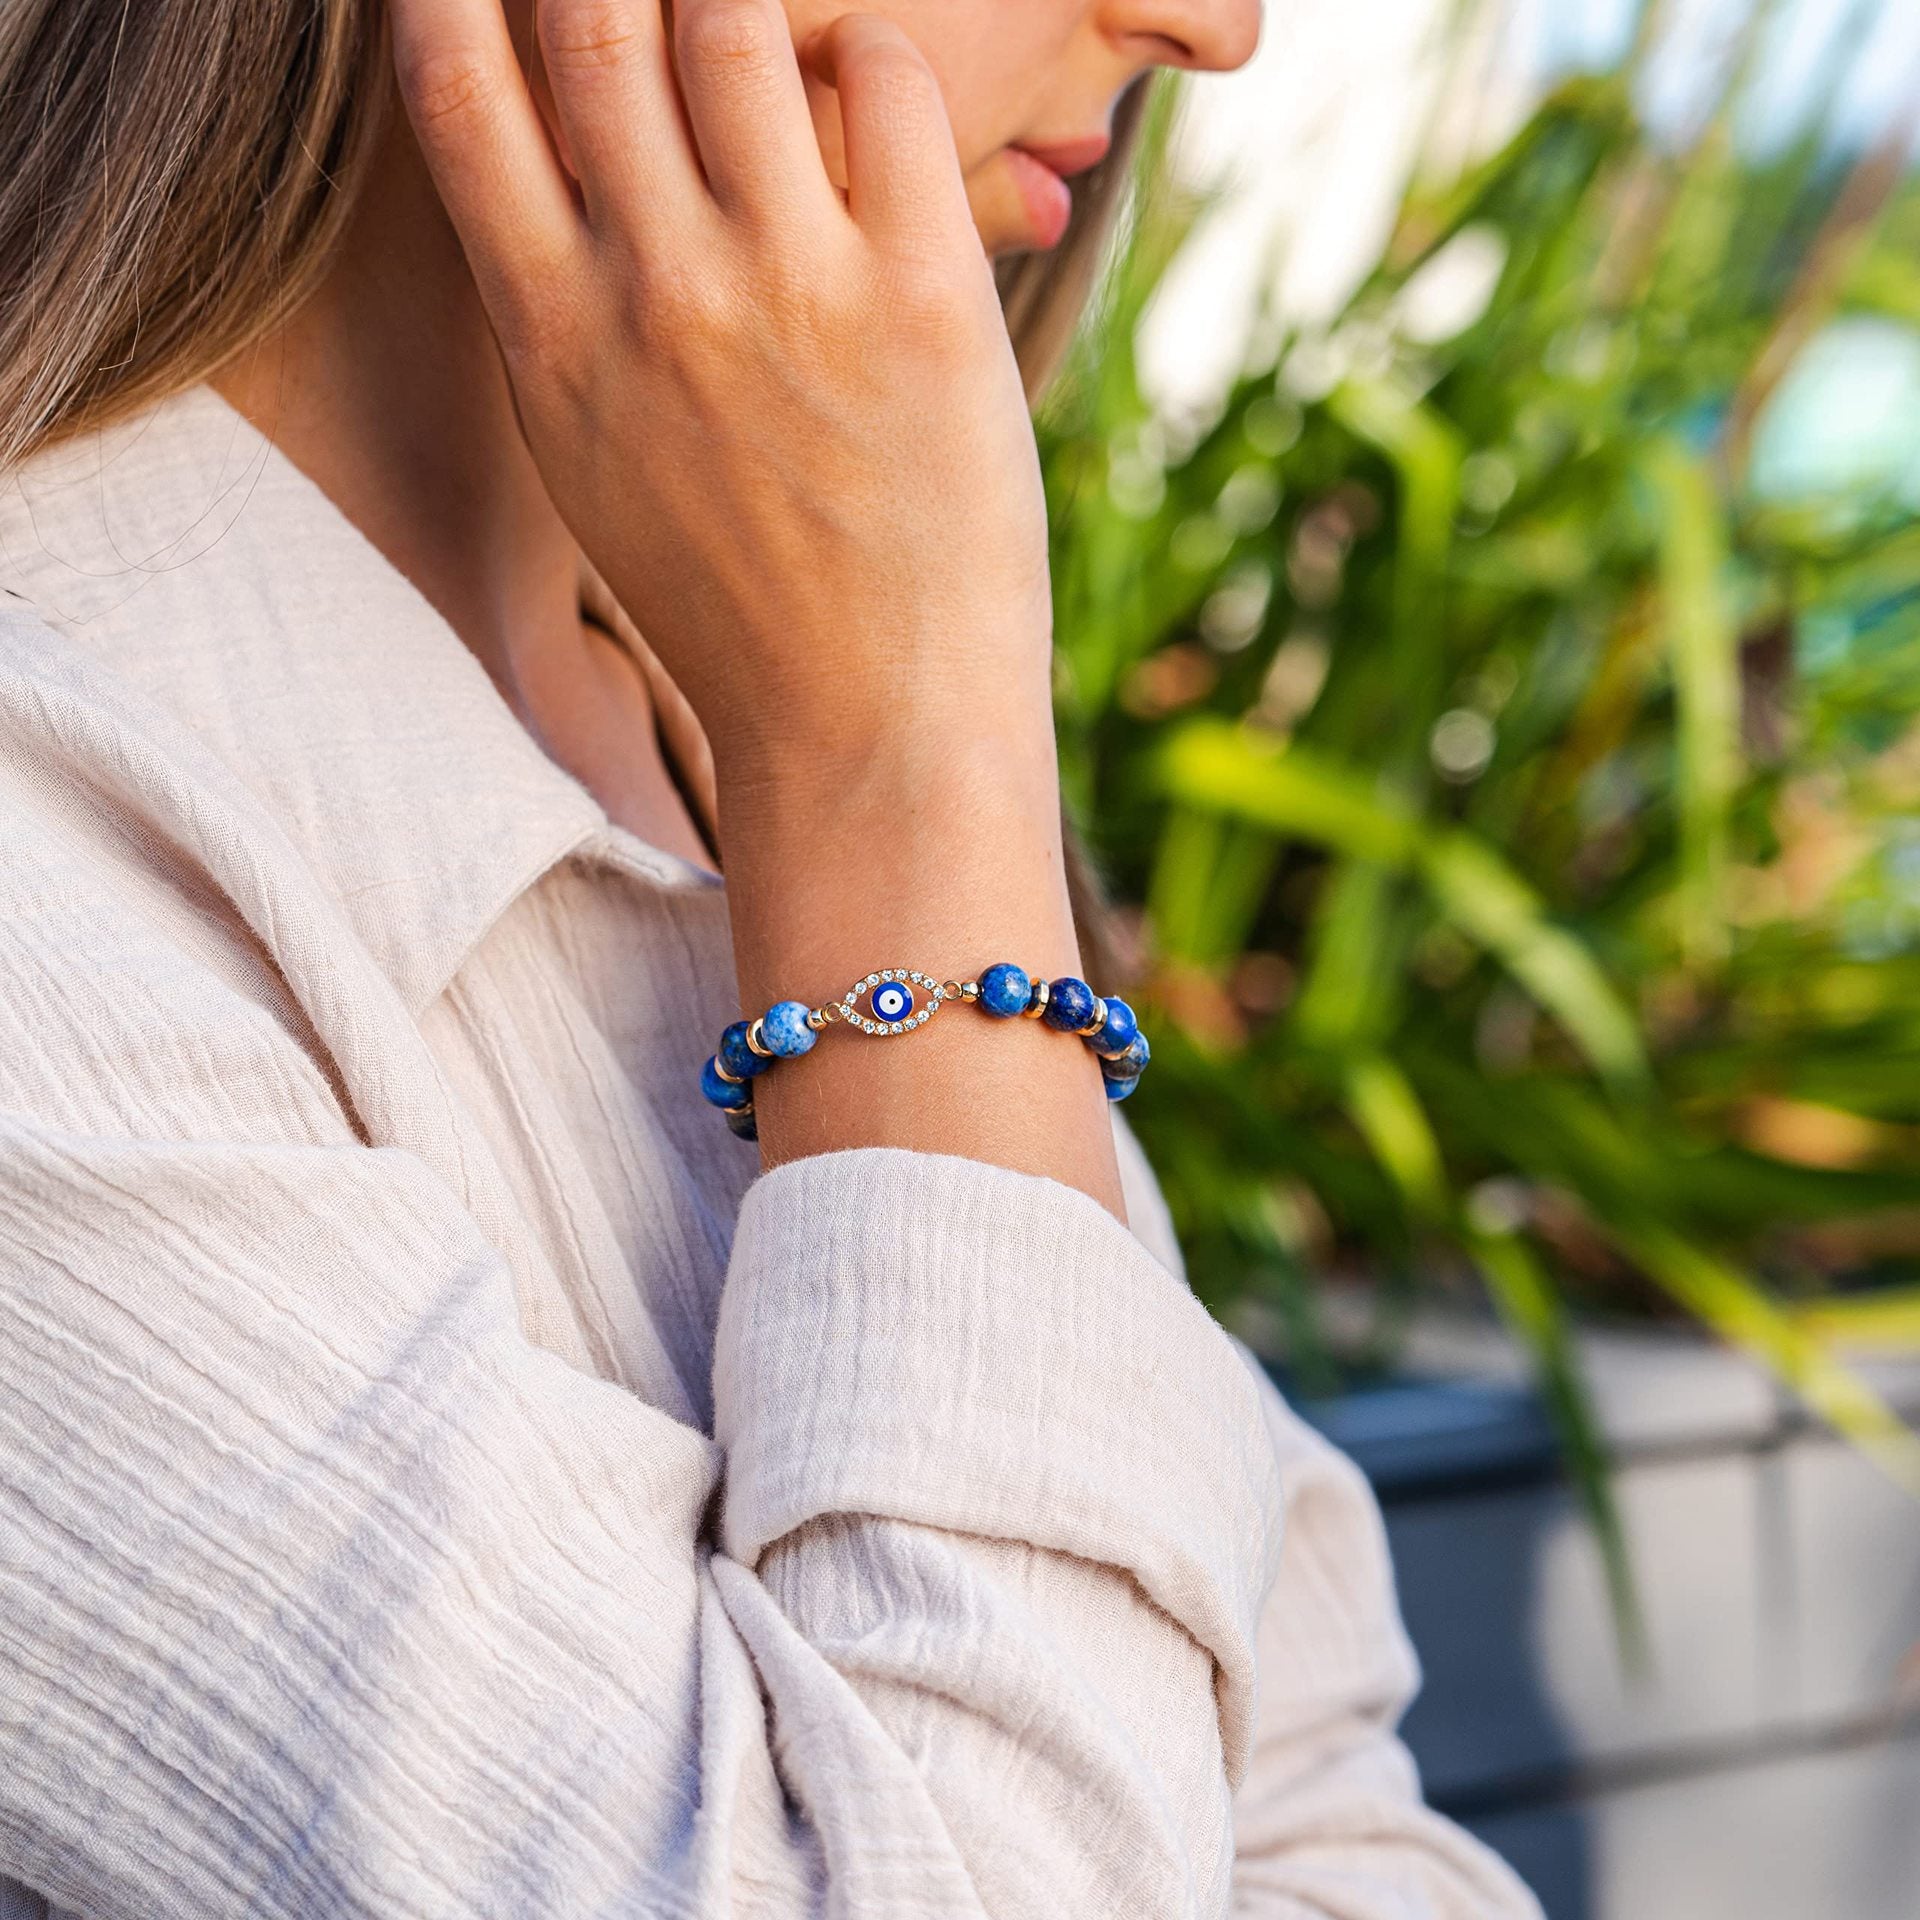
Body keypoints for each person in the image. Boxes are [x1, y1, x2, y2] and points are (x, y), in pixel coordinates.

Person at [0, 1, 1541, 1914]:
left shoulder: (738, 717)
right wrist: (894, 765)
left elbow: (1339, 1833)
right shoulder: (52, 893)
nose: (1211, 29)